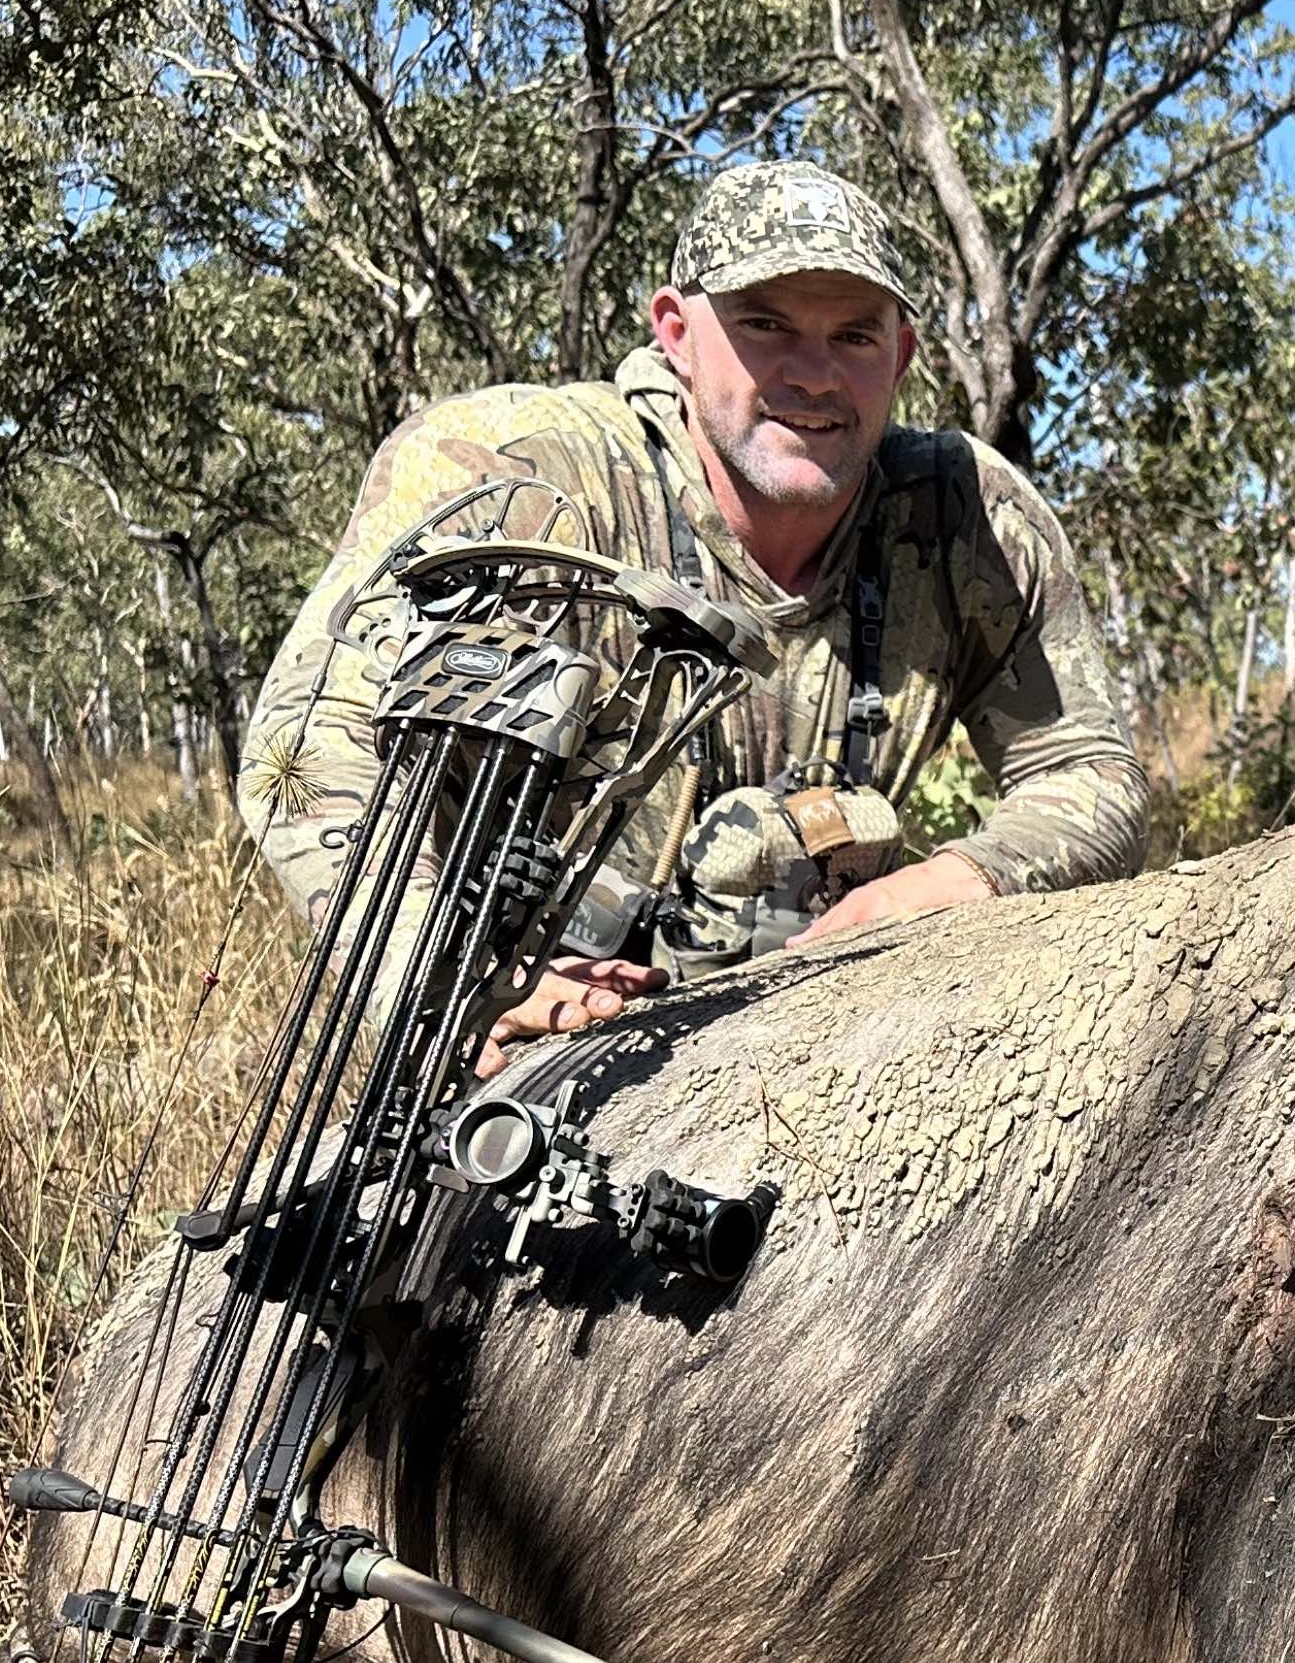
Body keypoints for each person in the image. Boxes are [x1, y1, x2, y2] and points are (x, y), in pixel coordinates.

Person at [236, 159, 1146, 1069]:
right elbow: (308, 745)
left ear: (902, 354)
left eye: (855, 336)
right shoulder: (512, 471)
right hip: (520, 1030)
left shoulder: (969, 516)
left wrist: (964, 878)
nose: (813, 376)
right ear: (676, 333)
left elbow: (1088, 771)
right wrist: (445, 986)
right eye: (765, 326)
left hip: (825, 1039)